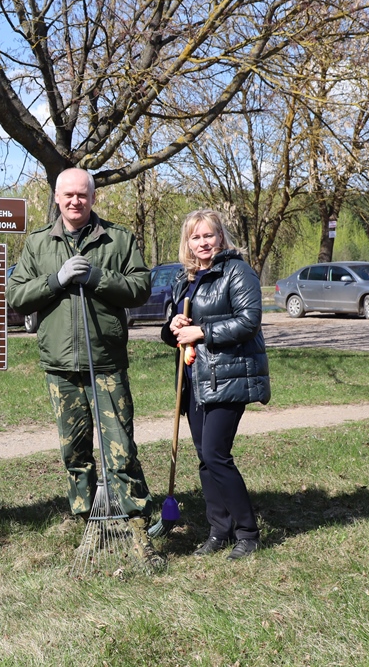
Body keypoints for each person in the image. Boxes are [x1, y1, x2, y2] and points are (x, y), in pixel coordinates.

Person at [7, 167, 164, 570]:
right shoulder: (39, 243)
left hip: (106, 361)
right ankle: (86, 518)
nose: (75, 201)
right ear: (57, 199)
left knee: (120, 446)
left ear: (93, 198)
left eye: (82, 194)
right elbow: (17, 295)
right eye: (68, 195)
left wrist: (97, 277)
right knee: (74, 450)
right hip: (60, 364)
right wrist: (55, 280)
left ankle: (134, 519)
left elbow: (140, 288)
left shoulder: (118, 238)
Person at [161, 209, 269, 560]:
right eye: (196, 237)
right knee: (205, 460)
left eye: (209, 235)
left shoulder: (236, 271)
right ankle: (219, 530)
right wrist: (174, 326)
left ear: (221, 237)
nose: (203, 242)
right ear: (187, 243)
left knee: (215, 455)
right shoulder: (184, 278)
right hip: (195, 379)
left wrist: (203, 332)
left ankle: (248, 534)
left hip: (228, 375)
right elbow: (172, 331)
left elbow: (249, 321)